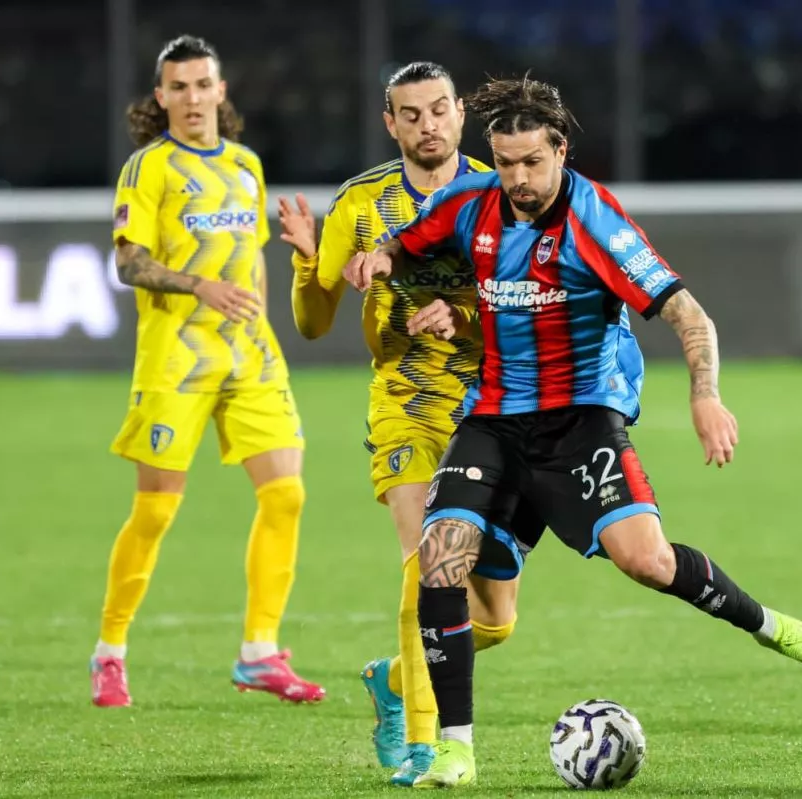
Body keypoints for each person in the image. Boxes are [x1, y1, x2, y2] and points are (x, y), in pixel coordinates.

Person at [344, 76, 802, 788]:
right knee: (441, 557)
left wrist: (705, 396)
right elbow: (409, 242)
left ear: (560, 151)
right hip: (494, 419)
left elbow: (690, 315)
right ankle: (454, 751)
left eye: (532, 162)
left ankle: (773, 627)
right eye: (505, 163)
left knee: (646, 561)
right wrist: (381, 257)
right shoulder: (471, 202)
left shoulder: (597, 224)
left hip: (579, 422)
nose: (518, 179)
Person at [277, 62, 532, 786]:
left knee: (494, 620)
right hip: (406, 401)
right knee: (425, 560)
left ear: (461, 114)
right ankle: (428, 742)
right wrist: (308, 263)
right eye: (411, 114)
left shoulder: (498, 193)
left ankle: (392, 679)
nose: (428, 125)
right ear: (390, 123)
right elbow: (313, 322)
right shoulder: (362, 203)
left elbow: (528, 307)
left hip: (490, 405)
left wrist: (463, 315)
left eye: (439, 109)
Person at [89, 34, 322, 708]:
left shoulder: (247, 165)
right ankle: (110, 651)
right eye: (178, 87)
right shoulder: (149, 167)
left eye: (202, 85)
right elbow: (128, 262)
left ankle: (259, 652)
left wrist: (266, 333)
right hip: (177, 359)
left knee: (286, 494)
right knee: (156, 509)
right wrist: (199, 286)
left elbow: (252, 262)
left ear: (221, 91)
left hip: (249, 357)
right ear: (160, 97)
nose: (192, 98)